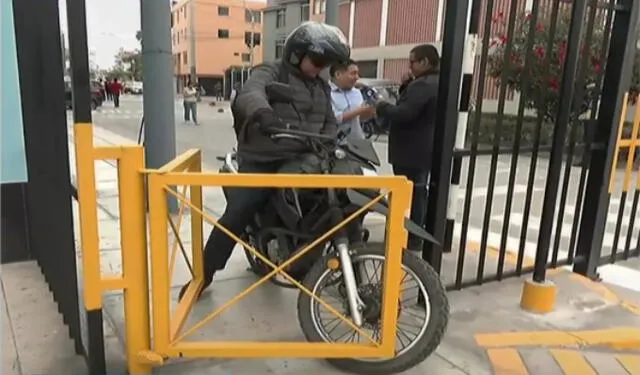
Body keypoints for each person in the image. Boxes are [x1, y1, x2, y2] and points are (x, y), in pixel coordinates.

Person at [179, 21, 351, 300]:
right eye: (318, 60)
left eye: (326, 64)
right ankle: (203, 274)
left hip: (306, 157)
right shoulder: (271, 71)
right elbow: (251, 93)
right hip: (265, 156)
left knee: (343, 201)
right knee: (239, 212)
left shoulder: (321, 85)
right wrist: (264, 114)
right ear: (296, 54)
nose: (320, 68)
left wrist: (328, 142)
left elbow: (330, 122)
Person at [375, 44, 440, 250]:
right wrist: (406, 86)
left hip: (411, 149)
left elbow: (405, 113)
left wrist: (382, 107)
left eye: (412, 62)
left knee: (410, 194)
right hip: (423, 148)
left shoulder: (424, 85)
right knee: (419, 193)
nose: (409, 66)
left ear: (425, 62)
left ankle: (408, 236)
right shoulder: (433, 81)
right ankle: (415, 234)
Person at [329, 60, 376, 143]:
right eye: (353, 73)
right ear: (338, 74)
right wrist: (359, 111)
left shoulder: (357, 92)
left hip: (358, 142)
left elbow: (360, 119)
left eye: (358, 73)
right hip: (336, 145)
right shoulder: (326, 92)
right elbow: (334, 119)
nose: (357, 77)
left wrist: (368, 112)